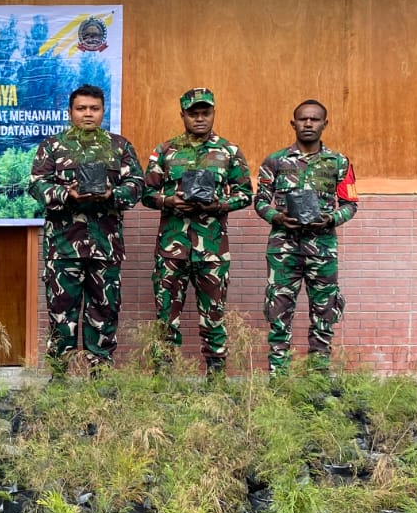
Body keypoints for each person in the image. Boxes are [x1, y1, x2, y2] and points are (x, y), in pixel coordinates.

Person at [27, 84, 143, 376]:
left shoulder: (120, 146)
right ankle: (60, 377)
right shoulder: (53, 146)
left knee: (104, 312)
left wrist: (111, 195)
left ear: (103, 111)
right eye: (81, 109)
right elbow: (36, 185)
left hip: (105, 246)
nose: (87, 114)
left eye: (94, 108)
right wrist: (67, 195)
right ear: (70, 112)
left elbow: (137, 185)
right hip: (63, 247)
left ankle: (100, 377)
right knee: (61, 313)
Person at [141, 88, 252, 374]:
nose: (200, 119)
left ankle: (216, 380)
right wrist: (169, 201)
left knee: (214, 316)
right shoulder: (165, 151)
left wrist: (219, 204)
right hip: (172, 249)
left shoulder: (229, 151)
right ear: (183, 115)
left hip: (212, 251)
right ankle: (163, 380)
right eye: (193, 113)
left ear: (213, 113)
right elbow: (145, 192)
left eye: (206, 113)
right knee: (166, 317)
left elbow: (245, 194)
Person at [253, 99, 359, 374]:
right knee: (279, 314)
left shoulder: (338, 162)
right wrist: (276, 217)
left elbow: (350, 204)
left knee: (324, 314)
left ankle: (318, 381)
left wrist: (332, 218)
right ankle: (279, 381)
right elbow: (260, 200)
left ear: (325, 123)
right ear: (294, 123)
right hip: (283, 248)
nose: (308, 124)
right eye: (303, 119)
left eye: (314, 119)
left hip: (322, 249)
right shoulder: (274, 161)